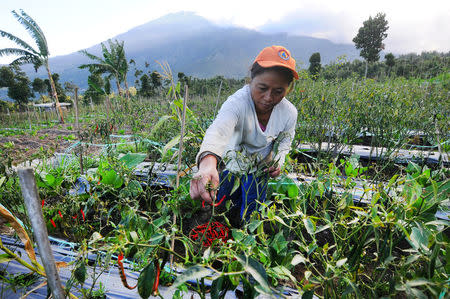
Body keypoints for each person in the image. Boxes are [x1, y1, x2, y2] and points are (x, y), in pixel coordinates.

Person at [189, 45, 298, 225]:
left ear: (288, 89)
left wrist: (279, 160)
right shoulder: (238, 103)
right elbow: (219, 129)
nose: (269, 97)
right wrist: (208, 162)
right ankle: (219, 228)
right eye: (262, 88)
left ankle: (245, 240)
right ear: (251, 80)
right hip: (233, 166)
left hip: (260, 170)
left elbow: (286, 139)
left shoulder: (288, 113)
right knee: (220, 202)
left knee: (252, 212)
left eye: (279, 91)